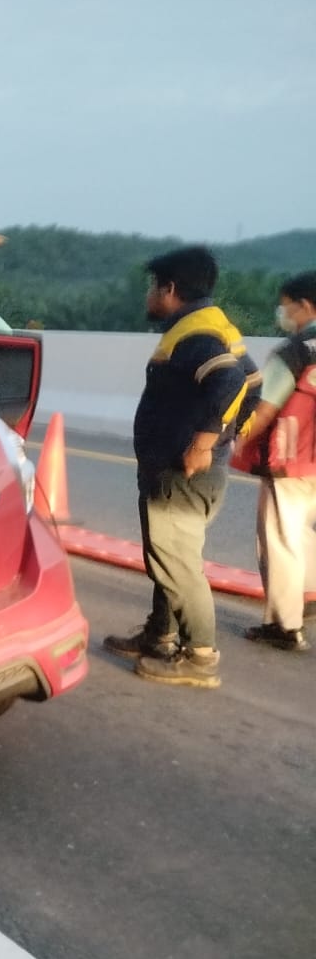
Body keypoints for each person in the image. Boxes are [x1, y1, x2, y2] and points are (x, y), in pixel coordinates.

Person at [102, 246, 260, 688]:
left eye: (153, 287)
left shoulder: (195, 336)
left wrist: (205, 443)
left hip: (180, 472)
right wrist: (230, 433)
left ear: (169, 289)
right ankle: (160, 636)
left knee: (178, 563)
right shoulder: (212, 326)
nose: (149, 295)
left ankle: (199, 657)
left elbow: (229, 381)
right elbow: (253, 384)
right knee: (170, 559)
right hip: (180, 470)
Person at [230, 271, 316, 652]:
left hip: (292, 459)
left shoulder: (295, 350)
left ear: (305, 306)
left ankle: (286, 625)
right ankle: (306, 596)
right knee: (304, 535)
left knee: (280, 538)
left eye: (286, 304)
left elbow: (265, 408)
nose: (282, 311)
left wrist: (233, 436)